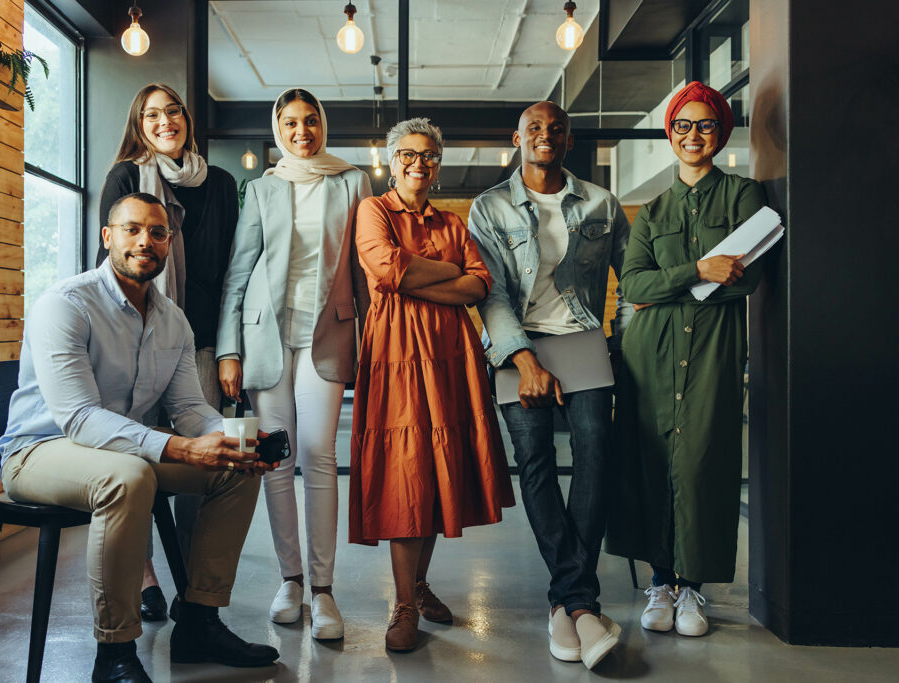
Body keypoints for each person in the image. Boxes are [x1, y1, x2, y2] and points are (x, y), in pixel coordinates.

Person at [0, 193, 279, 682]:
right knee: (128, 478)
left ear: (169, 244)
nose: (145, 240)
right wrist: (182, 448)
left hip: (121, 448)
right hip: (37, 451)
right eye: (132, 229)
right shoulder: (66, 304)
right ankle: (115, 654)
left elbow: (189, 409)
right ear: (108, 237)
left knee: (234, 470)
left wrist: (233, 439)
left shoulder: (173, 320)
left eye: (158, 232)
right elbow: (80, 418)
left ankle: (198, 620)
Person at [467, 101, 631, 670]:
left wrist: (625, 348)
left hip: (584, 340)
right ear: (517, 138)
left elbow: (629, 279)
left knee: (595, 454)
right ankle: (581, 604)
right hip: (519, 344)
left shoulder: (602, 203)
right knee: (534, 459)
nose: (546, 135)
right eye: (534, 128)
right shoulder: (489, 207)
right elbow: (489, 293)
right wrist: (522, 358)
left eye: (556, 128)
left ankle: (569, 604)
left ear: (569, 139)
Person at [605, 81, 768, 638]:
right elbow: (634, 286)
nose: (693, 136)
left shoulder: (744, 196)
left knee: (703, 462)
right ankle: (661, 581)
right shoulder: (651, 211)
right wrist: (697, 271)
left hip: (713, 349)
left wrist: (669, 283)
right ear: (670, 133)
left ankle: (693, 585)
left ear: (720, 132)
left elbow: (748, 278)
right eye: (682, 125)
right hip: (649, 353)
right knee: (652, 464)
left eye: (704, 125)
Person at [349, 117, 516, 653]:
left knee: (437, 467)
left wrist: (422, 277)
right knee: (406, 470)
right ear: (392, 160)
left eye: (428, 156)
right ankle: (401, 605)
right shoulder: (372, 210)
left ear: (437, 165)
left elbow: (479, 284)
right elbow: (387, 269)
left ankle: (418, 587)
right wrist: (444, 276)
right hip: (396, 354)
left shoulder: (452, 221)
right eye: (408, 154)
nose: (418, 163)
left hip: (448, 355)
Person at [216, 88, 371, 641]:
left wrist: (371, 339)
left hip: (327, 334)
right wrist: (228, 349)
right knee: (277, 459)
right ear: (277, 129)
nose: (301, 131)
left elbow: (361, 267)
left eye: (310, 121)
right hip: (267, 337)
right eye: (290, 122)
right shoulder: (261, 188)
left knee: (318, 453)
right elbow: (240, 270)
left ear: (322, 124)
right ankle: (292, 580)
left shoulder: (351, 181)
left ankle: (325, 591)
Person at [96, 84, 240, 622]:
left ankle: (192, 587)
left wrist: (230, 348)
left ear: (186, 118)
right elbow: (110, 259)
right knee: (135, 459)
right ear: (139, 124)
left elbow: (230, 270)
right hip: (134, 336)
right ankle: (146, 576)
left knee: (199, 464)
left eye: (172, 111)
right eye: (151, 114)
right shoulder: (127, 177)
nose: (164, 121)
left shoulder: (221, 182)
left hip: (196, 339)